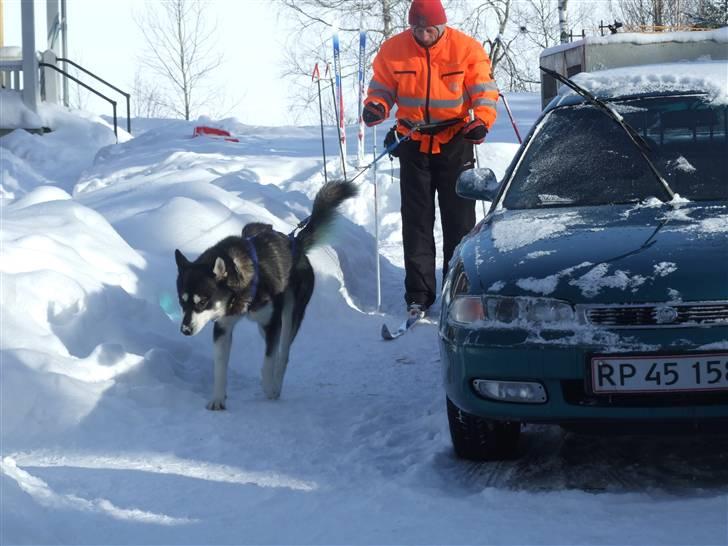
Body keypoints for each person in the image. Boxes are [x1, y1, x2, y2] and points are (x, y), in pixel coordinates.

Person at [363, 0, 499, 318]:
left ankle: (460, 289)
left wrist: (481, 121)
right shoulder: (393, 50)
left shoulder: (465, 49)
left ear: (442, 25)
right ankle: (419, 295)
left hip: (455, 139)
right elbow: (381, 87)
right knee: (417, 222)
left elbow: (484, 91)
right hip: (412, 140)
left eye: (429, 29)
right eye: (417, 29)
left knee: (460, 222)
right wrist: (377, 106)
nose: (423, 35)